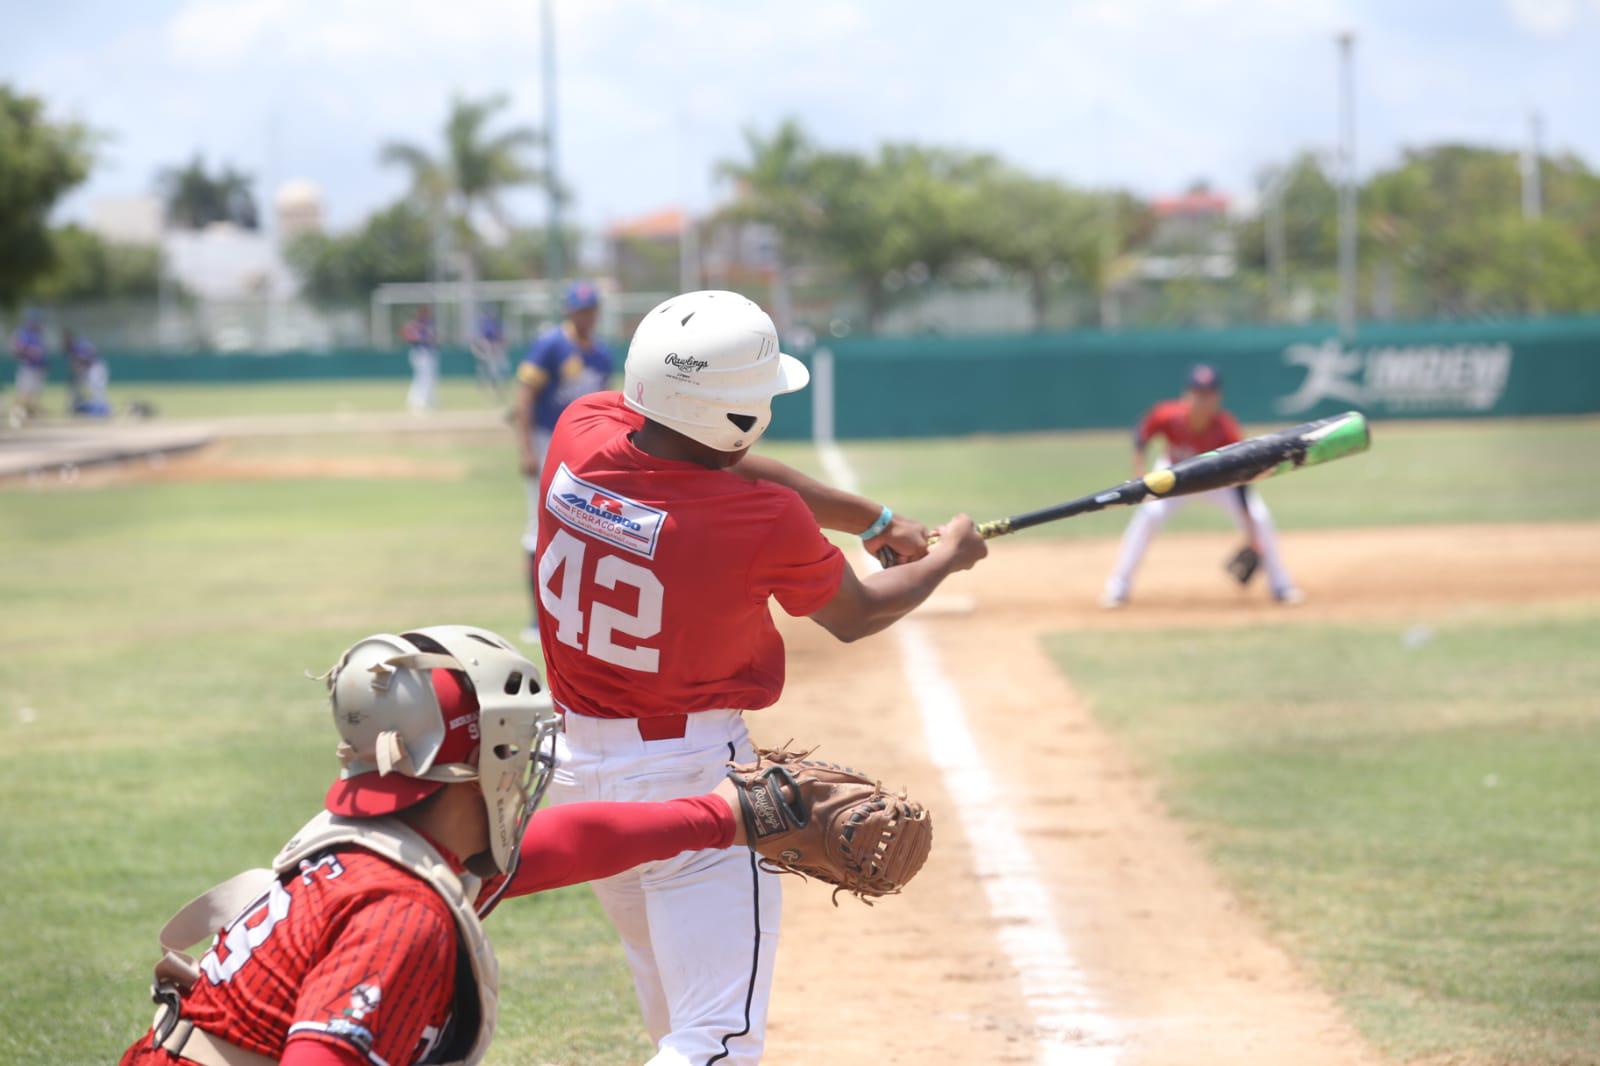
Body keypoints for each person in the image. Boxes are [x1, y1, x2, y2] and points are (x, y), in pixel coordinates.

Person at [533, 289, 988, 1064]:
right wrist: (949, 556)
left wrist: (877, 523)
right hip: (692, 783)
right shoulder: (757, 521)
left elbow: (723, 461)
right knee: (717, 1041)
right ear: (738, 415)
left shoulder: (579, 432)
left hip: (579, 777)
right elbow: (855, 612)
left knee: (676, 1019)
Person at [117, 624, 769, 1066]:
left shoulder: (361, 844)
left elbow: (562, 845)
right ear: (470, 767)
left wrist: (721, 818)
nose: (522, 767)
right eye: (510, 746)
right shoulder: (400, 914)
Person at [1100, 364, 1301, 608]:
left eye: (1208, 393)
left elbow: (1242, 479)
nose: (1202, 400)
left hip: (1218, 481)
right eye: (1197, 392)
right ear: (1186, 394)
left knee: (1260, 519)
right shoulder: (1168, 415)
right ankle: (1118, 586)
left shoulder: (1226, 429)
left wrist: (1250, 529)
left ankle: (1281, 585)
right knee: (1148, 515)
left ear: (1218, 398)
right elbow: (1142, 432)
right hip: (1173, 476)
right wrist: (1140, 469)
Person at [513, 281, 613, 641]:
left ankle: (576, 613)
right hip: (546, 442)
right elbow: (524, 398)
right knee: (539, 528)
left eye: (591, 309)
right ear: (569, 311)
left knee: (589, 529)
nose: (586, 315)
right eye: (580, 309)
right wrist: (526, 449)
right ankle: (536, 620)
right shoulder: (551, 344)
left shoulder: (601, 354)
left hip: (586, 451)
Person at [9, 310, 48, 424]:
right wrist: (30, 351)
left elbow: (41, 352)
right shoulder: (24, 333)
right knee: (24, 393)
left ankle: (29, 417)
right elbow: (17, 346)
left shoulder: (38, 334)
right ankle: (16, 416)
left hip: (38, 368)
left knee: (34, 395)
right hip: (28, 367)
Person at [64, 329, 110, 416]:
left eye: (67, 338)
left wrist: (77, 365)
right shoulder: (75, 347)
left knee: (96, 388)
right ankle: (100, 409)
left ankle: (102, 409)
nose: (66, 341)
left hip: (95, 367)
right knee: (93, 389)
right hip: (92, 368)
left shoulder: (78, 346)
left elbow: (86, 359)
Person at [401, 307, 439, 413]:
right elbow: (411, 338)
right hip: (421, 353)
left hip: (425, 353)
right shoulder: (417, 325)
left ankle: (421, 402)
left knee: (424, 378)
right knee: (424, 378)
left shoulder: (426, 325)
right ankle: (420, 403)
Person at [469, 307, 510, 399]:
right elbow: (479, 339)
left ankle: (497, 389)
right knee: (488, 371)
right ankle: (492, 389)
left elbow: (502, 339)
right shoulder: (484, 325)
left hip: (495, 352)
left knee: (497, 370)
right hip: (488, 352)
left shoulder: (496, 324)